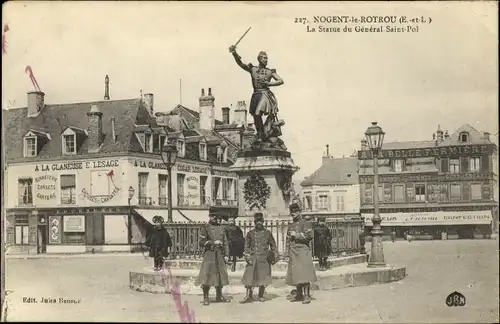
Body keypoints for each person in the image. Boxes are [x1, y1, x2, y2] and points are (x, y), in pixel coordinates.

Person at [229, 46, 284, 143]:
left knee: (258, 112)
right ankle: (260, 134)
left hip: (265, 94)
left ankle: (263, 133)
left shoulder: (270, 71)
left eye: (267, 58)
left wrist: (269, 84)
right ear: (259, 59)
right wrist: (234, 53)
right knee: (255, 115)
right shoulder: (253, 69)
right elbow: (241, 64)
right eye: (264, 58)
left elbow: (280, 81)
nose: (266, 60)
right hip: (256, 95)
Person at [240, 212, 279, 304]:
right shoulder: (250, 233)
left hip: (264, 258)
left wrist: (275, 254)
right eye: (257, 221)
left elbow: (273, 245)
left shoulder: (268, 233)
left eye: (260, 221)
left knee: (263, 278)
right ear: (254, 222)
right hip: (253, 258)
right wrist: (247, 255)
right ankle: (248, 296)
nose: (259, 223)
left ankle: (260, 295)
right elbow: (246, 246)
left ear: (263, 222)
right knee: (249, 276)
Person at [196, 207, 230, 306]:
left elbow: (226, 242)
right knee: (207, 275)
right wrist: (213, 242)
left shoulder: (222, 228)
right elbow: (201, 242)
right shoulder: (205, 228)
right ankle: (206, 297)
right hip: (209, 254)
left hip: (219, 255)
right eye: (212, 216)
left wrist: (227, 255)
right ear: (210, 216)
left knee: (220, 275)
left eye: (216, 216)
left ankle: (219, 296)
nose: (214, 218)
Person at [285, 202, 317, 304]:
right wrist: (286, 253)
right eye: (292, 212)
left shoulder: (305, 223)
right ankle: (299, 294)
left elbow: (310, 236)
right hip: (293, 251)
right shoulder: (290, 225)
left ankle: (307, 296)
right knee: (296, 274)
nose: (293, 213)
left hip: (303, 250)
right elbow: (288, 240)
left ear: (299, 212)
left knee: (304, 273)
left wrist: (297, 235)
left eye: (295, 211)